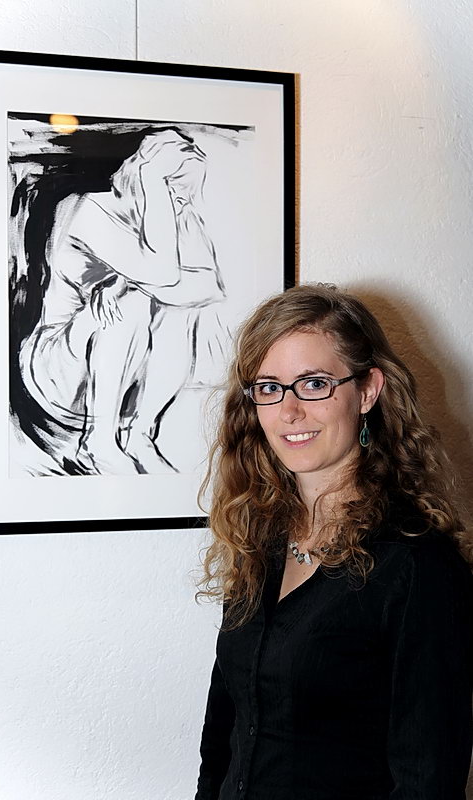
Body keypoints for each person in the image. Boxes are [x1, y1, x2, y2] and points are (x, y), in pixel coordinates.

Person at [195, 283, 473, 800]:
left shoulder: (417, 565)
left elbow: (428, 778)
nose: (289, 411)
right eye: (270, 387)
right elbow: (224, 734)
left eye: (314, 384)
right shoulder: (259, 537)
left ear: (368, 391)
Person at [15, 128, 227, 475]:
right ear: (143, 177)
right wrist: (152, 179)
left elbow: (206, 287)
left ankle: (139, 434)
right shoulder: (86, 208)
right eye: (172, 188)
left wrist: (122, 282)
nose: (181, 202)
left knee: (180, 311)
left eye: (185, 193)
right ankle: (98, 444)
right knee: (133, 303)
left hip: (122, 380)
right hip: (56, 372)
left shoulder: (174, 215)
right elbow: (162, 274)